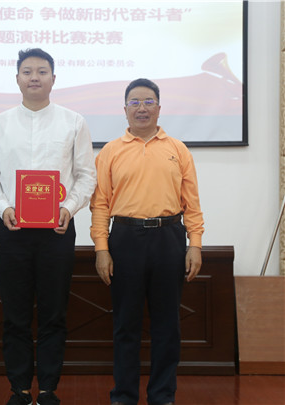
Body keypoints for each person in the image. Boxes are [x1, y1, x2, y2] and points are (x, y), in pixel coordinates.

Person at [0, 48, 96, 405]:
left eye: (42, 71)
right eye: (27, 71)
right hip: (11, 230)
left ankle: (47, 390)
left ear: (53, 79)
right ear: (17, 78)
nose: (34, 77)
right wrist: (3, 207)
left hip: (57, 231)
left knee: (53, 313)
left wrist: (69, 208)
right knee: (14, 314)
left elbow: (86, 175)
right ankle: (19, 389)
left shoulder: (73, 121)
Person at [89, 78, 204, 405]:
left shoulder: (177, 149)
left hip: (169, 238)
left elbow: (192, 203)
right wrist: (102, 249)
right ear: (125, 109)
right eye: (135, 102)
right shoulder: (111, 151)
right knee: (125, 324)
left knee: (167, 325)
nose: (142, 108)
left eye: (149, 101)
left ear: (159, 108)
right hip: (125, 239)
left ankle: (162, 395)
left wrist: (195, 244)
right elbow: (100, 205)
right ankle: (124, 396)